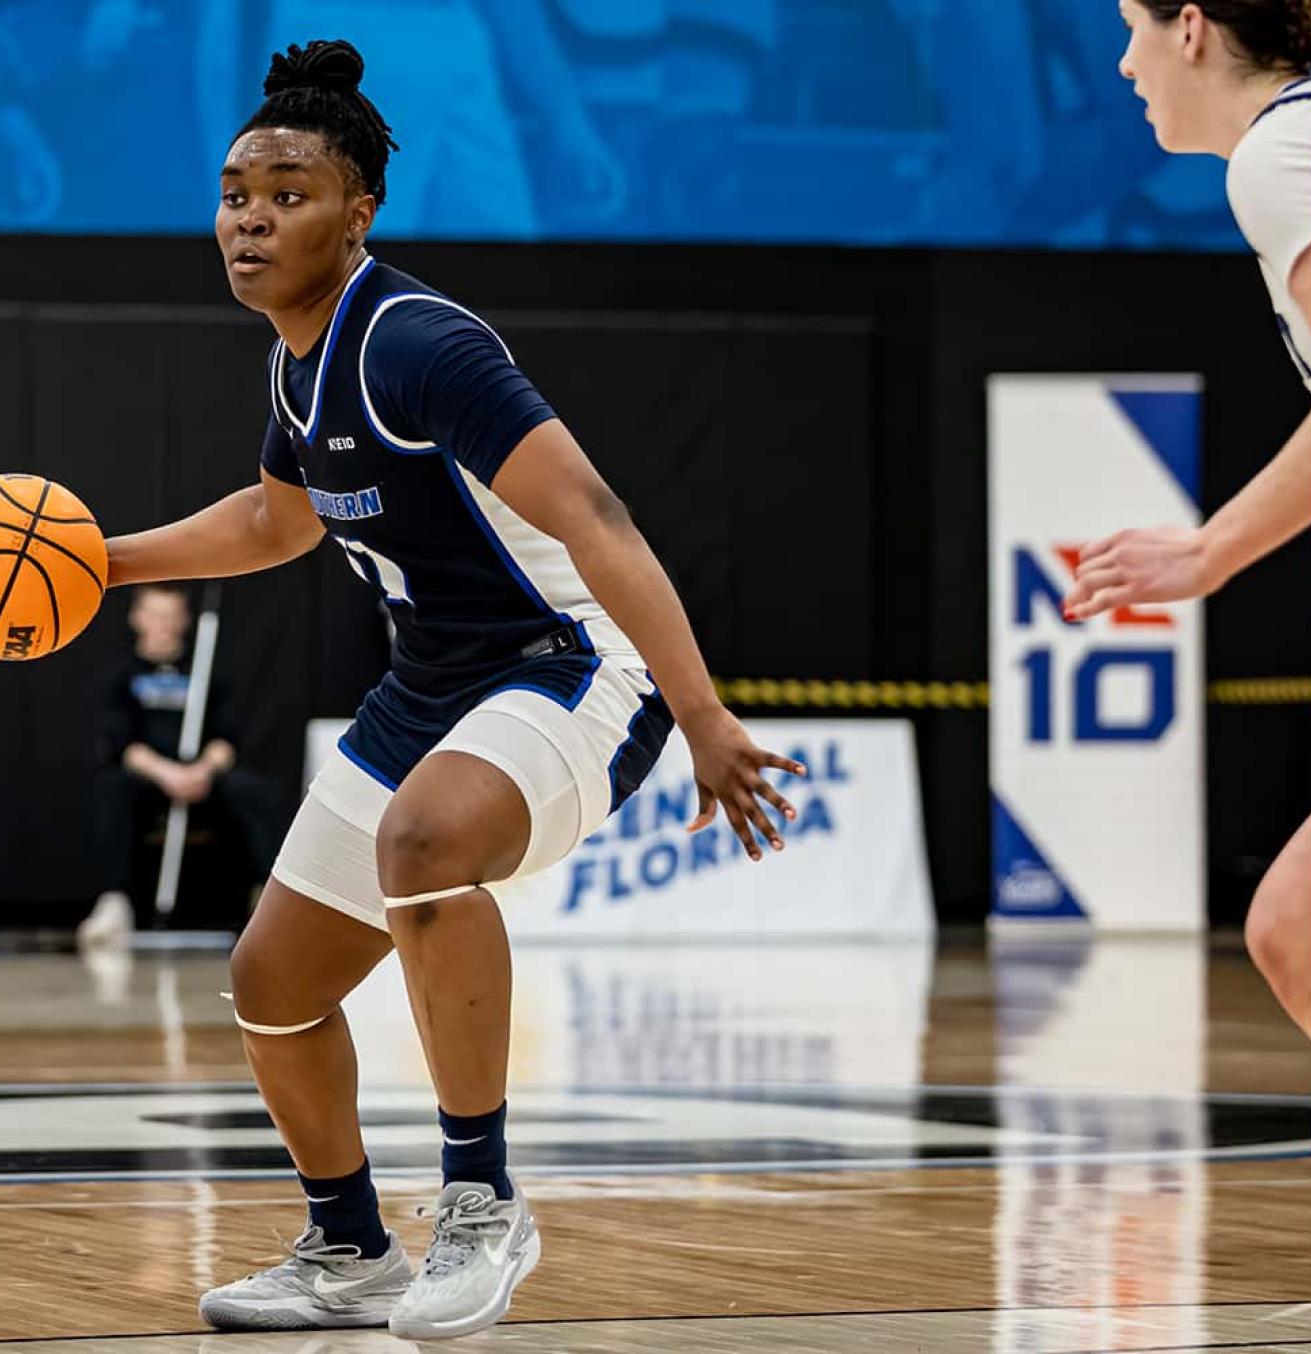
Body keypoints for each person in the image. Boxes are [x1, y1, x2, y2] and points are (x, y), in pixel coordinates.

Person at [100, 39, 803, 1338]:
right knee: (272, 984)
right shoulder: (295, 362)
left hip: (574, 664)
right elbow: (276, 520)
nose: (251, 215)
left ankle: (481, 1204)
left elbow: (599, 518)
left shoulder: (419, 341)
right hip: (431, 686)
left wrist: (703, 715)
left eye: (288, 191)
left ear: (357, 209)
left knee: (425, 838)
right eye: (234, 189)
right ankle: (348, 1244)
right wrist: (101, 558)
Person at [1067, 0, 1311, 1037]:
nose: (1122, 61)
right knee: (1296, 928)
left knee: (1301, 929)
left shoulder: (1278, 157)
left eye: (1130, 25)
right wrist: (1213, 549)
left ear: (1191, 29)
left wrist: (1212, 549)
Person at [77, 584, 289, 949]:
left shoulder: (205, 670)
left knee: (258, 792)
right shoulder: (122, 674)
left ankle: (268, 903)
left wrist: (202, 770)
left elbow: (227, 740)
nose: (164, 625)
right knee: (112, 789)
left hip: (203, 777)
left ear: (185, 621)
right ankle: (113, 904)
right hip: (150, 778)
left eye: (171, 616)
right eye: (155, 616)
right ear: (137, 618)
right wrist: (168, 774)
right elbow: (122, 746)